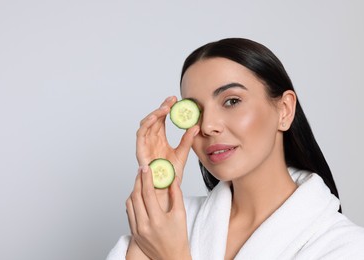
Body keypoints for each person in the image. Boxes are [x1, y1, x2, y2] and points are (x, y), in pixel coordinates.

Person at [107, 38, 364, 259]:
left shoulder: (346, 247)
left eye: (231, 101)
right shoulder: (170, 225)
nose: (207, 126)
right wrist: (160, 196)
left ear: (284, 110)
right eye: (195, 111)